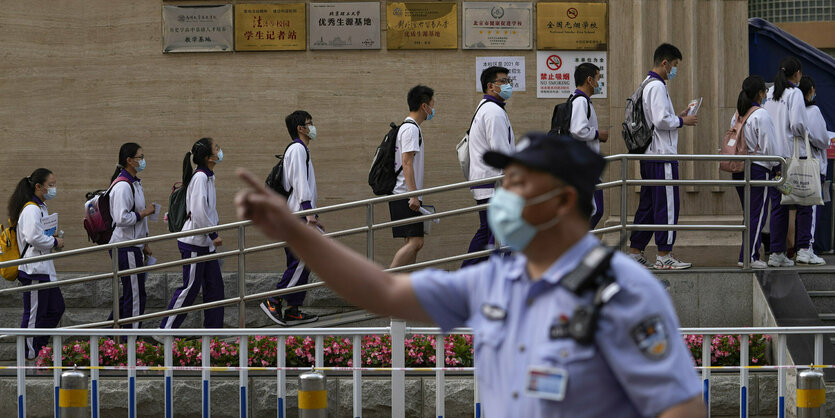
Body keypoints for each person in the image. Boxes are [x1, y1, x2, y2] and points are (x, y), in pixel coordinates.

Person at [235, 133, 705, 417]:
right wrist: (293, 232)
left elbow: (680, 406)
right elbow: (380, 290)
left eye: (519, 183)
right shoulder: (494, 280)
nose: (504, 194)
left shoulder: (624, 290)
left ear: (562, 201)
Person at [627, 43, 698, 270]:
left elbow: (657, 119)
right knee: (667, 206)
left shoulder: (646, 84)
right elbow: (660, 120)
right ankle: (664, 254)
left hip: (649, 154)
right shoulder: (657, 86)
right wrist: (681, 121)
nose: (675, 70)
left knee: (648, 204)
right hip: (661, 155)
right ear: (665, 63)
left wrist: (677, 116)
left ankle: (635, 250)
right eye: (674, 65)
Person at [259, 111, 320, 325]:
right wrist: (307, 211)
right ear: (300, 129)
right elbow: (299, 182)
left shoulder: (302, 150)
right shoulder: (297, 149)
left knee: (300, 261)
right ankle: (273, 300)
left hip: (299, 214)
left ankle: (293, 308)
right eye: (309, 123)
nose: (313, 127)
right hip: (297, 215)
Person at [160, 137, 225, 329]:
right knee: (190, 288)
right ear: (209, 157)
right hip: (195, 242)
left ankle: (214, 334)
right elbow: (198, 212)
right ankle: (165, 329)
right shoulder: (200, 178)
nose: (220, 150)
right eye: (217, 148)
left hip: (205, 244)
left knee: (215, 287)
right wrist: (214, 234)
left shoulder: (207, 177)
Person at [762, 57, 820, 266]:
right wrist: (806, 132)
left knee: (779, 205)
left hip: (776, 160)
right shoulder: (794, 93)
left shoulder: (769, 94)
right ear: (797, 74)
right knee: (804, 200)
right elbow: (797, 124)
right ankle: (804, 249)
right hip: (795, 158)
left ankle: (776, 253)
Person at [462, 66, 516, 267]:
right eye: (503, 81)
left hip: (487, 184)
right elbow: (501, 153)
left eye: (508, 80)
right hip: (495, 185)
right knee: (495, 236)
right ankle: (472, 278)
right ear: (490, 86)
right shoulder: (493, 112)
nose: (508, 84)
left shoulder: (486, 107)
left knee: (487, 233)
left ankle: (467, 278)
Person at [9, 168, 65, 359]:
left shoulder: (40, 207)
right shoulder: (31, 208)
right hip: (34, 270)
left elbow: (37, 234)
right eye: (51, 185)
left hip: (44, 270)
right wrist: (54, 242)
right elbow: (33, 237)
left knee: (56, 308)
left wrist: (51, 237)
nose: (53, 189)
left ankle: (38, 346)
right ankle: (29, 354)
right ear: (38, 186)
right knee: (34, 315)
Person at [729, 76, 779, 269]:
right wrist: (777, 165)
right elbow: (769, 145)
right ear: (760, 93)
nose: (766, 95)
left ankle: (747, 254)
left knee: (749, 214)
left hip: (739, 168)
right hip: (758, 168)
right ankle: (749, 256)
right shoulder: (761, 115)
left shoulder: (738, 114)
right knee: (757, 214)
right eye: (765, 92)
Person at [107, 143, 157, 327]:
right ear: (129, 160)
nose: (143, 161)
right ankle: (130, 341)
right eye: (140, 157)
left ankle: (109, 339)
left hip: (133, 245)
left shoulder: (134, 183)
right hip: (125, 246)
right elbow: (122, 217)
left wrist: (144, 243)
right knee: (135, 296)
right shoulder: (123, 186)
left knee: (131, 293)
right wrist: (144, 213)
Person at [388, 85, 434, 268]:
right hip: (405, 194)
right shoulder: (410, 129)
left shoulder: (410, 128)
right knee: (416, 242)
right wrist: (414, 195)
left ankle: (405, 289)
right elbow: (406, 162)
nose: (433, 109)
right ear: (424, 106)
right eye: (432, 104)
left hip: (405, 194)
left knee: (411, 243)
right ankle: (385, 282)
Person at [568, 62, 609, 228]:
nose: (598, 84)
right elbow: (577, 130)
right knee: (594, 210)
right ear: (589, 80)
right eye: (598, 79)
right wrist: (599, 134)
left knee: (593, 210)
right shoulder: (580, 102)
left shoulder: (582, 101)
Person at [799, 75, 831, 261]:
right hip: (813, 165)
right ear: (810, 90)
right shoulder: (814, 111)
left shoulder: (793, 110)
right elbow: (822, 139)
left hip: (797, 164)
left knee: (799, 209)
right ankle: (806, 248)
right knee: (811, 209)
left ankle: (800, 247)